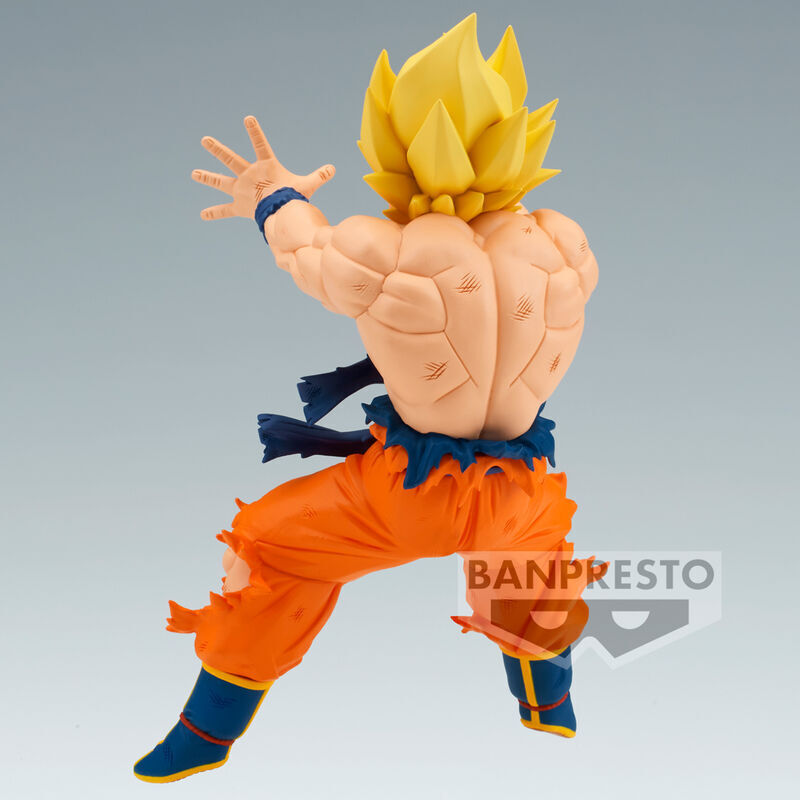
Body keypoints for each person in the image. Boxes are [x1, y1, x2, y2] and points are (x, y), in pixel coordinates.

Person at [134, 14, 603, 784]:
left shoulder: (384, 252)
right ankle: (549, 705)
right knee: (533, 568)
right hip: (517, 489)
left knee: (269, 550)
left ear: (396, 143)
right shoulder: (562, 243)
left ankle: (203, 736)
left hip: (408, 493)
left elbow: (301, 247)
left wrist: (271, 192)